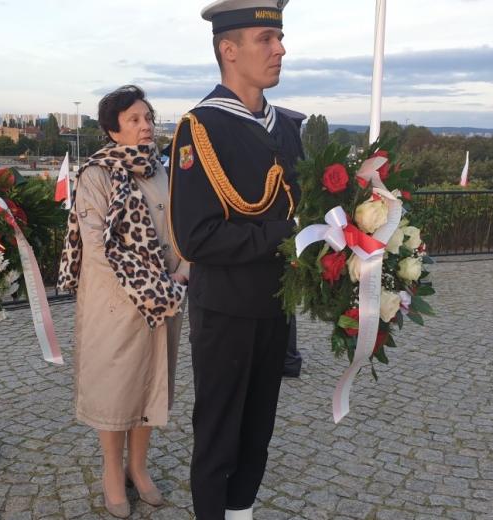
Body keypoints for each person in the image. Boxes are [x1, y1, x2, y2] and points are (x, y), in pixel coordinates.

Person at [167, 1, 302, 518]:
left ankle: (241, 512)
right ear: (229, 50)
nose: (280, 49)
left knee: (257, 431)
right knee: (220, 433)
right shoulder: (200, 127)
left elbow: (301, 206)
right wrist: (281, 234)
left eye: (280, 38)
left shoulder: (286, 128)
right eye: (266, 40)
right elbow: (195, 237)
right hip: (225, 309)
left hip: (274, 305)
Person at [57, 85, 188, 518]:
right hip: (115, 303)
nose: (146, 125)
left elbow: (183, 230)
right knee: (116, 390)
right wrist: (155, 285)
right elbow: (96, 247)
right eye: (134, 120)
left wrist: (181, 272)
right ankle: (113, 471)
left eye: (148, 117)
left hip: (165, 299)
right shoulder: (95, 176)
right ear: (113, 131)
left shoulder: (163, 171)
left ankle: (139, 467)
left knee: (152, 384)